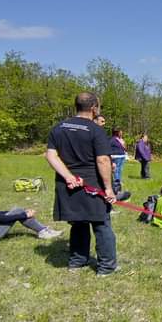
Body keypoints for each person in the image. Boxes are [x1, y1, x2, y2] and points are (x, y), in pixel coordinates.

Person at [45, 92, 119, 276]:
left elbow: (51, 155)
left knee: (78, 223)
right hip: (92, 184)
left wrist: (68, 176)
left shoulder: (58, 127)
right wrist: (109, 188)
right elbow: (103, 160)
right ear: (94, 107)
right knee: (101, 224)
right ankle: (106, 267)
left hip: (68, 185)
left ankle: (77, 262)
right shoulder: (96, 130)